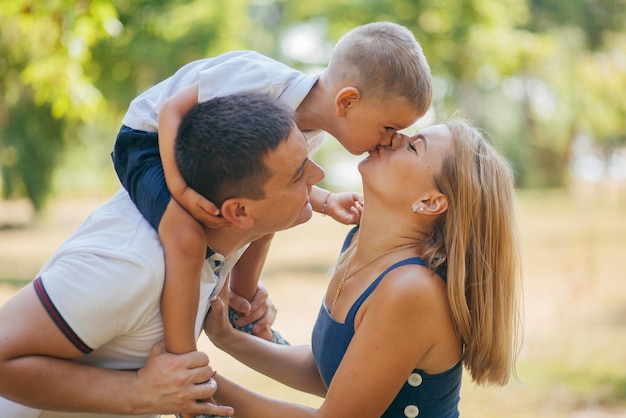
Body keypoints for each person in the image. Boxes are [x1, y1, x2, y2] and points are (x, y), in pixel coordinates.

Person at [111, 21, 432, 364]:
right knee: (186, 237)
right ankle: (182, 364)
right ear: (347, 101)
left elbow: (282, 183)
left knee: (276, 212)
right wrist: (179, 189)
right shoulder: (261, 79)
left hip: (202, 156)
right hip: (149, 140)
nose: (390, 141)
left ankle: (243, 305)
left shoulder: (310, 133)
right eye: (389, 128)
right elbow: (172, 110)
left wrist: (326, 202)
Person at [0, 93, 325, 418]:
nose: (318, 175)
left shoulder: (219, 239)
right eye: (298, 174)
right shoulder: (131, 266)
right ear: (237, 211)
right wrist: (136, 393)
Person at [203, 117, 523, 417]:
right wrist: (228, 338)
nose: (397, 136)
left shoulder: (412, 290)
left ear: (429, 202)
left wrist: (202, 388)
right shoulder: (357, 244)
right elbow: (326, 369)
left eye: (414, 146)